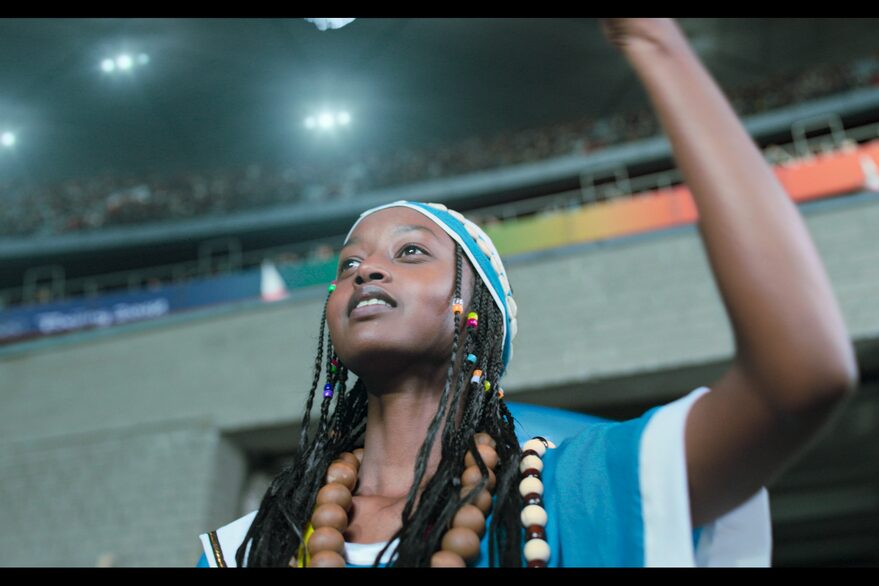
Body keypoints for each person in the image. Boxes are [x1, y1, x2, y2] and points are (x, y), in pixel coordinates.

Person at [197, 18, 858, 567]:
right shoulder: (246, 547)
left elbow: (799, 379)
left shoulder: (574, 490)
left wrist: (652, 40)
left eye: (409, 252)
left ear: (475, 312)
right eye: (347, 266)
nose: (366, 272)